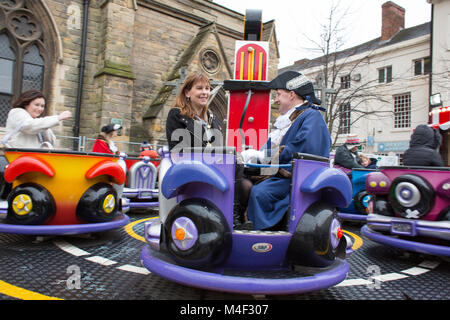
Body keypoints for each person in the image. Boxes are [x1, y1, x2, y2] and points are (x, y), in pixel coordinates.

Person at [245, 70, 332, 230]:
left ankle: (262, 236)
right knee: (241, 182)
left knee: (260, 192)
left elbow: (300, 149)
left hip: (295, 179)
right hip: (278, 173)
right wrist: (251, 158)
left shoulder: (311, 116)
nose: (276, 99)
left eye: (278, 94)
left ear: (292, 95)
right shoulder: (290, 119)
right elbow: (268, 149)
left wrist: (262, 156)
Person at [165, 72, 223, 151]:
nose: (204, 92)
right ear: (187, 93)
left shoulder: (213, 117)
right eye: (199, 88)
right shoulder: (177, 115)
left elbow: (221, 150)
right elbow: (179, 151)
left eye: (207, 88)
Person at [2, 90, 72, 148]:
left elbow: (51, 141)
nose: (40, 109)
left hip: (32, 158)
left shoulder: (37, 121)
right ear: (26, 104)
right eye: (36, 105)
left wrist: (45, 127)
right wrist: (58, 118)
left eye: (42, 106)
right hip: (18, 157)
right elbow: (30, 126)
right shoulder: (17, 112)